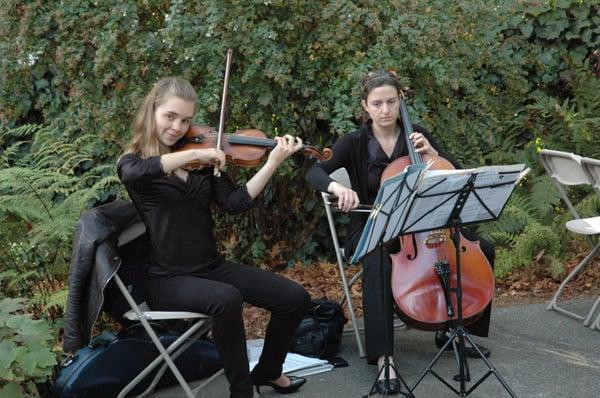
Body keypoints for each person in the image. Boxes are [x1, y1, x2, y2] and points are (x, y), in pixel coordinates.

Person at [117, 76, 311, 398]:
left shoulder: (201, 158)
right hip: (168, 279)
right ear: (152, 111)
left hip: (211, 268)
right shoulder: (133, 163)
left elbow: (235, 203)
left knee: (294, 298)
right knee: (226, 299)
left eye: (186, 120)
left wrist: (273, 162)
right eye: (171, 116)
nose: (178, 127)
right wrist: (200, 156)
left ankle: (268, 371)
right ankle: (241, 391)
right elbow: (137, 172)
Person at [305, 69, 494, 395]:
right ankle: (385, 359)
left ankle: (457, 333)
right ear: (365, 105)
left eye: (391, 101)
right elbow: (314, 172)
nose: (385, 109)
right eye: (377, 103)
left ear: (400, 100)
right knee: (378, 261)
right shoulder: (353, 143)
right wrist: (337, 188)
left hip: (420, 229)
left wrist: (433, 155)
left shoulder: (416, 134)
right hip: (372, 228)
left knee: (483, 249)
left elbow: (453, 171)